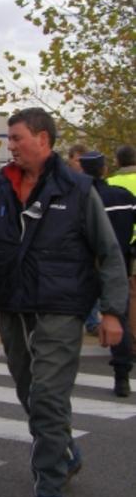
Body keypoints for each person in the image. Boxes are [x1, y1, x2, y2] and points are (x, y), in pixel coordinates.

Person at [0, 108, 128, 497]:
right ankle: (67, 455)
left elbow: (109, 254)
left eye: (16, 138)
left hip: (61, 307)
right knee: (27, 392)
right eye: (10, 138)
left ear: (42, 139)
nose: (10, 145)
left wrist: (112, 311)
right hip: (13, 307)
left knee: (49, 398)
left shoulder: (77, 188)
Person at [79, 151, 136, 395]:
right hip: (119, 265)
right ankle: (121, 376)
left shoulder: (80, 199)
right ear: (104, 169)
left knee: (70, 318)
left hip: (84, 268)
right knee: (118, 318)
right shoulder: (123, 197)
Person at [67, 143, 100, 334]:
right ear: (71, 159)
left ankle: (92, 320)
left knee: (91, 278)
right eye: (78, 160)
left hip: (87, 239)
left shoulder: (88, 183)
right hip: (72, 240)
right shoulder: (66, 181)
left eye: (83, 160)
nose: (81, 164)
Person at [107, 145, 136, 354]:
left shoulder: (111, 184)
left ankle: (131, 340)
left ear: (117, 161)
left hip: (122, 246)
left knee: (131, 295)